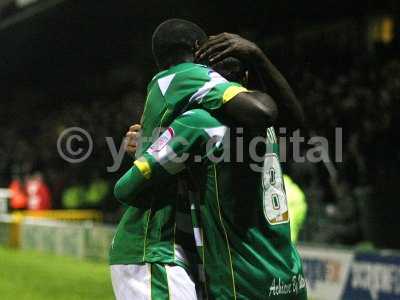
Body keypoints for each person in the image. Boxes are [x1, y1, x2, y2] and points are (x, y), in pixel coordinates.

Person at [117, 27, 307, 299]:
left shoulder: (199, 122)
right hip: (289, 274)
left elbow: (126, 189)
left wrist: (153, 151)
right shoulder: (267, 128)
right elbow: (295, 126)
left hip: (241, 278)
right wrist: (256, 53)